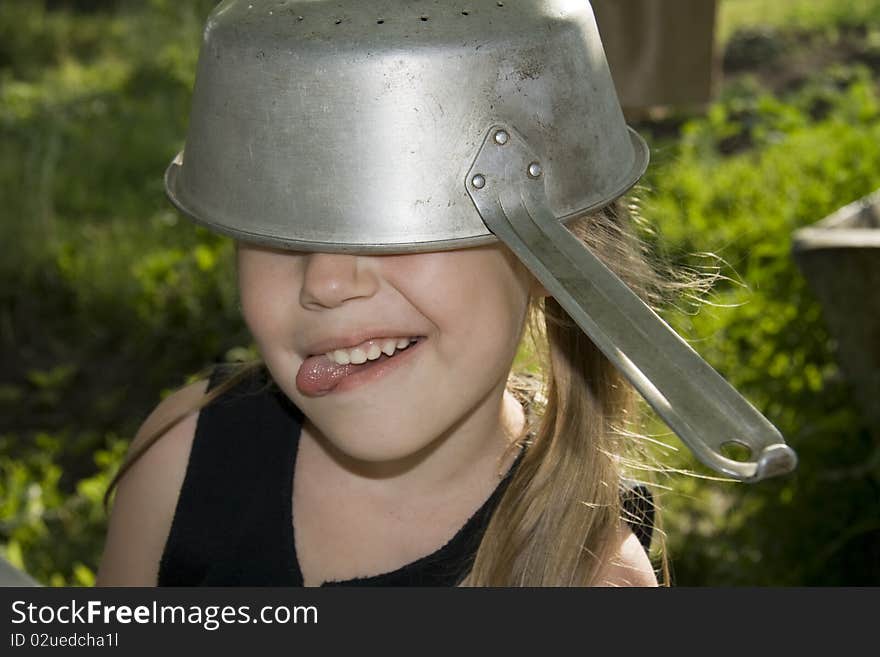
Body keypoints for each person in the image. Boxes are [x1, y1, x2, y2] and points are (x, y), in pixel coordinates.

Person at [95, 0, 792, 587]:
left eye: (402, 216)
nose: (327, 282)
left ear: (559, 246)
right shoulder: (180, 461)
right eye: (280, 222)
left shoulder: (589, 581)